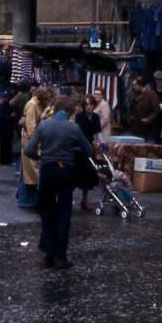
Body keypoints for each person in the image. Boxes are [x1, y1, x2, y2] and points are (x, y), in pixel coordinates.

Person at [24, 95, 92, 269]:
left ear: (55, 109)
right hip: (66, 171)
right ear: (69, 111)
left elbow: (29, 149)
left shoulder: (44, 125)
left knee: (46, 210)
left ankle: (48, 251)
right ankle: (61, 256)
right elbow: (88, 150)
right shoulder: (74, 128)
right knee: (64, 212)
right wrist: (72, 150)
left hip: (47, 169)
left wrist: (40, 157)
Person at [19, 87, 53, 207]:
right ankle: (28, 200)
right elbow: (31, 126)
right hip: (30, 142)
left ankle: (27, 199)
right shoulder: (32, 105)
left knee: (30, 172)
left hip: (33, 141)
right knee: (32, 171)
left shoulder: (38, 104)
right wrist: (38, 142)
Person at [74, 95, 102, 211]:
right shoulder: (79, 116)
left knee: (88, 175)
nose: (89, 107)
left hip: (91, 148)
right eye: (86, 105)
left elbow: (96, 133)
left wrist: (98, 143)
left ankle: (85, 200)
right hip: (80, 148)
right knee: (76, 174)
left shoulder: (95, 117)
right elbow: (78, 132)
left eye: (90, 104)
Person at [130, 78, 161, 143]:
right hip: (138, 126)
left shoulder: (151, 95)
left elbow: (156, 110)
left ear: (140, 85)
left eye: (135, 85)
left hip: (149, 128)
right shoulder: (136, 94)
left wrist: (148, 119)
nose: (134, 87)